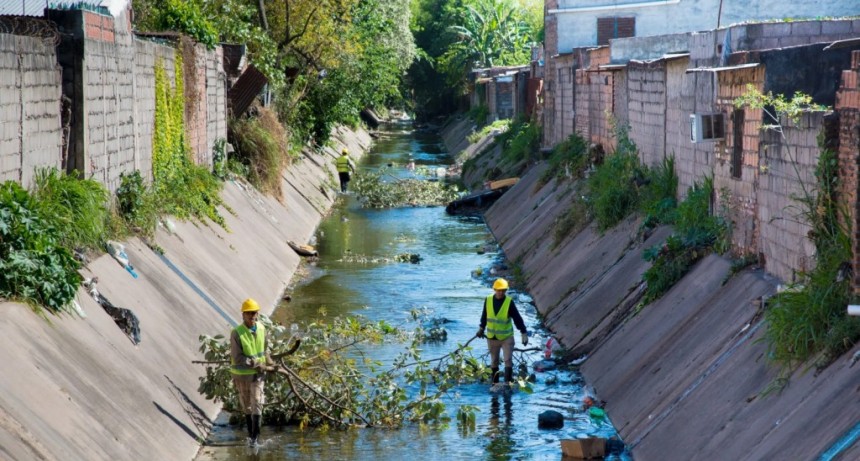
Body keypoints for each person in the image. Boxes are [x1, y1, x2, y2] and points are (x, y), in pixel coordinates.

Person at [230, 298, 271, 446]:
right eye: (248, 313)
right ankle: (250, 434)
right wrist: (255, 363)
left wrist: (270, 363)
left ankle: (255, 438)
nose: (251, 316)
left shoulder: (262, 329)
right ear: (243, 315)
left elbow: (265, 349)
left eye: (254, 313)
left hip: (258, 375)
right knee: (246, 404)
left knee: (257, 402)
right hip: (242, 376)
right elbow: (237, 357)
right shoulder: (237, 333)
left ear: (257, 314)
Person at [476, 278, 529, 384]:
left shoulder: (509, 302)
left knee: (508, 360)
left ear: (505, 290)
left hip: (506, 337)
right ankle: (494, 384)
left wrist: (523, 332)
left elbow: (517, 318)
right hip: (492, 337)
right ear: (495, 289)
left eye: (503, 290)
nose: (500, 292)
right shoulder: (488, 300)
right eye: (499, 290)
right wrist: (481, 328)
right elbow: (484, 315)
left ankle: (507, 385)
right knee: (494, 361)